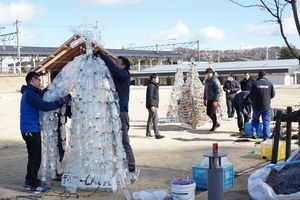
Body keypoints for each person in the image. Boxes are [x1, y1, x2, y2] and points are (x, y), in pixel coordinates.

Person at [95, 50, 140, 184]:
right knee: (113, 141)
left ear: (123, 66)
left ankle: (131, 168)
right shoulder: (117, 76)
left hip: (121, 113)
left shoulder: (124, 75)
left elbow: (113, 69)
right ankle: (120, 166)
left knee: (124, 141)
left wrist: (102, 55)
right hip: (113, 112)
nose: (115, 64)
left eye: (117, 63)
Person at [20, 72, 70, 193]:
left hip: (32, 128)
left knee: (34, 155)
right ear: (32, 80)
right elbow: (44, 106)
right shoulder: (30, 94)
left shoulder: (33, 92)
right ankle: (33, 184)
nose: (40, 82)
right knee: (35, 157)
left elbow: (42, 94)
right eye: (38, 79)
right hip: (30, 129)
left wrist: (53, 84)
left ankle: (29, 178)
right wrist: (60, 103)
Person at [50, 71, 72, 181]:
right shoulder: (49, 93)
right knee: (55, 149)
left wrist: (71, 106)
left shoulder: (66, 94)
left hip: (61, 126)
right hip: (52, 126)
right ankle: (55, 171)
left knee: (61, 148)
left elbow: (70, 113)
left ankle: (57, 170)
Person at [249, 71, 275, 141]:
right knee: (266, 122)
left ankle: (254, 133)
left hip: (256, 106)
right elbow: (273, 95)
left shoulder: (255, 84)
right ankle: (266, 137)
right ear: (265, 76)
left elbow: (251, 96)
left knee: (255, 120)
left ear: (259, 76)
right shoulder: (269, 84)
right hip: (266, 106)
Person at [145, 73, 165, 139]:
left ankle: (148, 133)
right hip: (152, 105)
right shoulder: (151, 86)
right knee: (155, 119)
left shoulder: (153, 85)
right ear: (153, 78)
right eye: (157, 78)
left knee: (150, 119)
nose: (158, 79)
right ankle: (157, 134)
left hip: (153, 104)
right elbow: (150, 96)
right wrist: (152, 105)